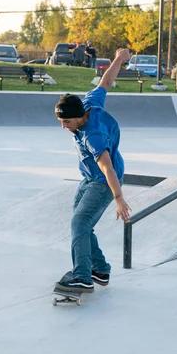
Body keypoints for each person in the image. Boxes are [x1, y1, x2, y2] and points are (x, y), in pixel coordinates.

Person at [54, 48, 133, 293]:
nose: (64, 127)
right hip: (89, 178)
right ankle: (99, 268)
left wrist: (119, 198)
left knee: (80, 222)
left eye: (67, 122)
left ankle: (83, 277)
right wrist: (119, 58)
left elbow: (107, 167)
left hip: (104, 181)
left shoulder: (93, 136)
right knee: (82, 222)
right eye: (60, 121)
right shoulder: (89, 103)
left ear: (79, 118)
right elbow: (106, 81)